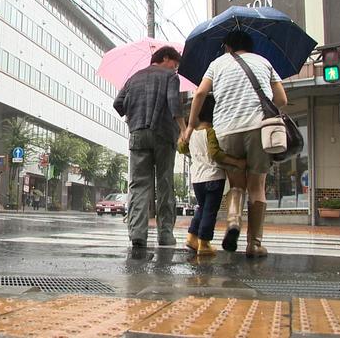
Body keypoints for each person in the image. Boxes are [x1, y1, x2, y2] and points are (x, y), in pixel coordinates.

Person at [184, 30, 288, 258]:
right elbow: (282, 100)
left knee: (237, 184)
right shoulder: (264, 61)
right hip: (258, 128)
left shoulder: (217, 64)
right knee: (257, 186)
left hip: (226, 130)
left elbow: (200, 92)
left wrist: (191, 125)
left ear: (228, 47)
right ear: (249, 46)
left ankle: (233, 222)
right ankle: (254, 244)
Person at [113, 46, 187, 247]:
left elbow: (117, 103)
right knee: (164, 183)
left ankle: (137, 233)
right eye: (175, 64)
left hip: (138, 133)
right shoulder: (170, 77)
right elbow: (173, 102)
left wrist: (133, 115)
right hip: (163, 133)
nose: (175, 69)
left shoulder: (133, 78)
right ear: (165, 58)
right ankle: (165, 234)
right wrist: (183, 128)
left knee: (139, 184)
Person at [178, 95, 246, 256]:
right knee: (210, 211)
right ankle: (204, 242)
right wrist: (236, 162)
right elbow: (216, 154)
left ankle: (191, 237)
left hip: (197, 179)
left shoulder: (191, 134)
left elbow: (182, 148)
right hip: (214, 177)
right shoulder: (211, 132)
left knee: (202, 209)